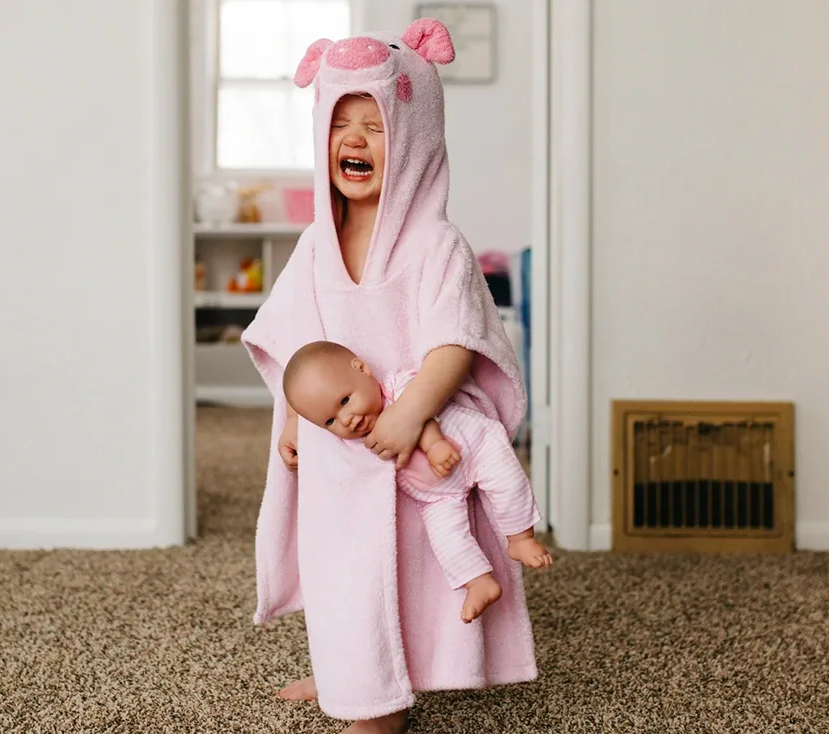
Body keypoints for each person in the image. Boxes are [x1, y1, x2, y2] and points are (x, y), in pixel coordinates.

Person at [241, 19, 542, 734]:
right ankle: (347, 669)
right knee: (341, 572)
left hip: (415, 438)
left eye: (374, 125)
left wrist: (411, 413)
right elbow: (293, 338)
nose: (355, 138)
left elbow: (456, 341)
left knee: (406, 571)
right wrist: (291, 414)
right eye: (340, 123)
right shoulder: (318, 242)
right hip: (340, 449)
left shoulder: (436, 244)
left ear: (415, 136)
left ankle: (380, 706)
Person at [282, 340, 554, 624]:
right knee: (446, 538)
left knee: (508, 483)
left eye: (345, 401)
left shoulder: (398, 386)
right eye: (330, 421)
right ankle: (478, 581)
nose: (346, 419)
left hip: (476, 445)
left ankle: (520, 538)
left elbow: (420, 413)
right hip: (437, 495)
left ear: (362, 369)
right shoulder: (358, 442)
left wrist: (435, 444)